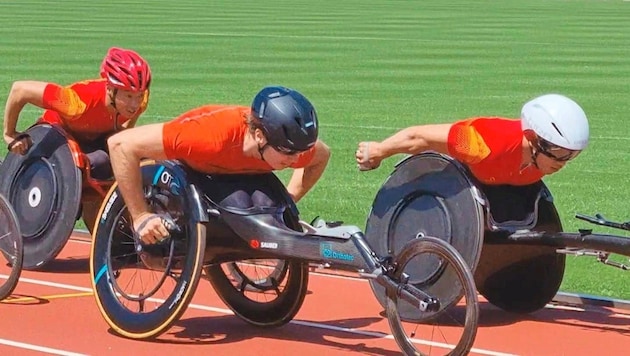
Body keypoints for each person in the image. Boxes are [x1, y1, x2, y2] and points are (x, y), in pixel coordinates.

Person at [107, 85, 331, 244]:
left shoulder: (289, 147)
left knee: (261, 204)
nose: (295, 160)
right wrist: (140, 216)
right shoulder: (208, 137)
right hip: (190, 169)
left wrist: (290, 200)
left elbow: (322, 155)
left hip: (233, 174)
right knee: (238, 202)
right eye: (288, 152)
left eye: (300, 152)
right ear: (260, 136)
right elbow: (120, 144)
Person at [2, 46, 152, 232]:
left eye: (139, 96)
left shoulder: (140, 102)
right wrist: (10, 133)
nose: (134, 104)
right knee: (97, 164)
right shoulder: (75, 103)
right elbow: (20, 89)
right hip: (57, 144)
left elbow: (122, 134)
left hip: (92, 138)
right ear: (111, 89)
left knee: (135, 155)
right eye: (128, 96)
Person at [355, 93, 589, 186]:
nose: (563, 162)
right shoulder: (479, 144)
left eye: (572, 155)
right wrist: (379, 150)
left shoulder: (540, 163)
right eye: (558, 152)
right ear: (532, 138)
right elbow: (419, 137)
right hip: (465, 173)